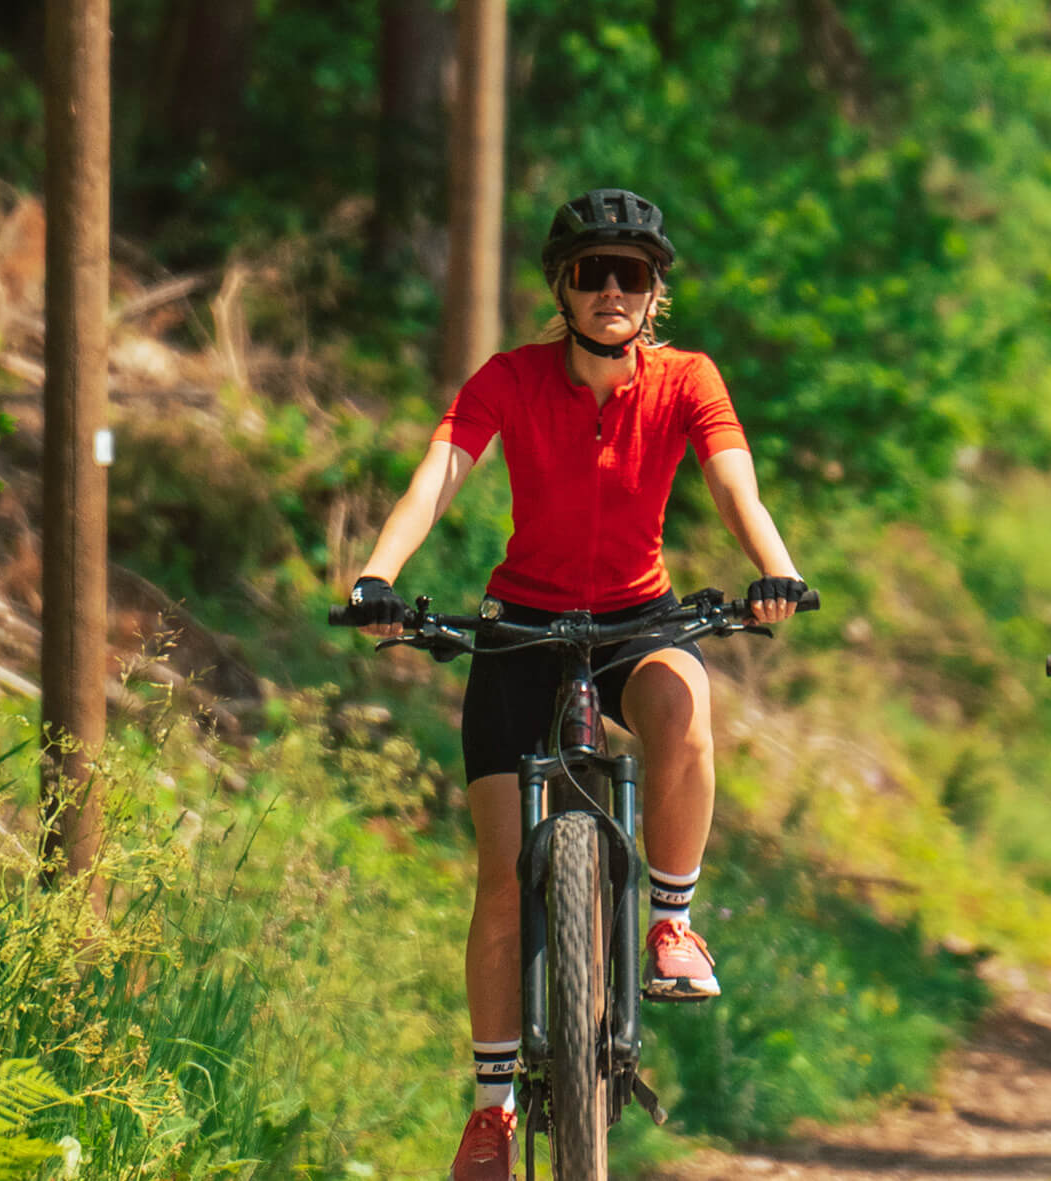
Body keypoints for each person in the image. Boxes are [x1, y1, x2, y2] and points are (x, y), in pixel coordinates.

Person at [338, 188, 809, 1181]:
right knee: (504, 879)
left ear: (654, 294)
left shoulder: (687, 379)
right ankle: (492, 1107)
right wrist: (377, 575)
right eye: (590, 271)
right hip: (522, 629)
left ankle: (672, 920)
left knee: (684, 698)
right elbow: (439, 474)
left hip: (638, 618)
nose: (608, 288)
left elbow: (736, 484)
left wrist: (777, 568)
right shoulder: (510, 377)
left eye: (629, 273)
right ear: (561, 285)